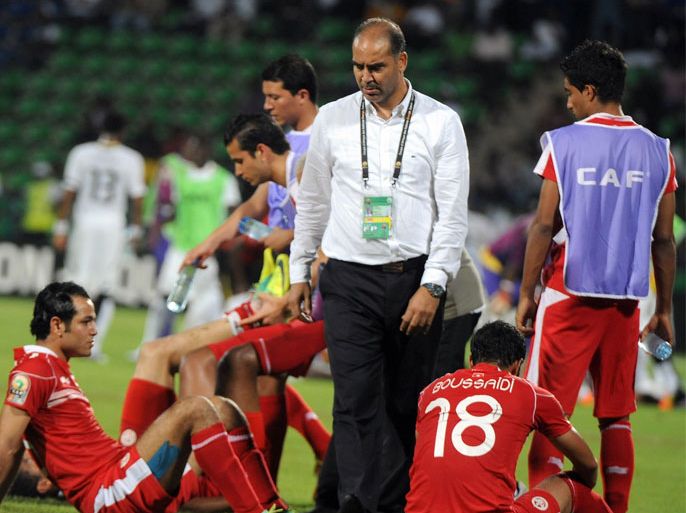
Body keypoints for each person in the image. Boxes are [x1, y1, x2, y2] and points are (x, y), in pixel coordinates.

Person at [288, 17, 470, 513]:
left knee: (406, 403)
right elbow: (314, 203)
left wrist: (432, 287)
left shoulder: (440, 122)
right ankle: (355, 504)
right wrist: (299, 270)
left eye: (376, 66)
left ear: (402, 61)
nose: (365, 76)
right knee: (353, 399)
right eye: (357, 67)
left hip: (413, 279)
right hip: (347, 278)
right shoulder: (333, 118)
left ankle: (396, 504)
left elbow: (453, 217)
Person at [515, 40, 677, 513]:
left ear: (589, 90)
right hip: (627, 303)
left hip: (569, 296)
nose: (567, 102)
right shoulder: (659, 151)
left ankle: (547, 506)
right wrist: (663, 308)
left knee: (548, 413)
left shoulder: (563, 144)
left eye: (570, 92)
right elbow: (663, 241)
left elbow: (544, 225)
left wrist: (527, 293)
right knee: (616, 415)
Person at [0, 282, 288, 513]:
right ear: (57, 326)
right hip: (106, 492)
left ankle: (272, 505)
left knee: (223, 409)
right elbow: (8, 447)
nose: (94, 330)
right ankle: (255, 509)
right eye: (85, 322)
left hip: (118, 470)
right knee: (196, 409)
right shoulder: (35, 371)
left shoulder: (52, 368)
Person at [406, 320, 612, 513]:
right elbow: (588, 465)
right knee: (572, 487)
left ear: (471, 360)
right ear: (517, 365)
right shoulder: (530, 394)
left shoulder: (431, 392)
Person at [52, 111, 146, 361]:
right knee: (106, 288)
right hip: (113, 226)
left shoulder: (81, 153)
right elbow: (137, 198)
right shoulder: (132, 158)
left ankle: (62, 337)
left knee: (74, 284)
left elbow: (69, 191)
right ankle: (93, 344)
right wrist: (136, 230)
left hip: (85, 223)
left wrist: (61, 226)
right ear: (123, 131)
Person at [140, 132, 241, 342]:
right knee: (165, 296)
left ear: (206, 150)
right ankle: (152, 341)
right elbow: (171, 208)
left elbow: (234, 213)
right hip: (180, 247)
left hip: (208, 251)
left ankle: (188, 344)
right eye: (188, 148)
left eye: (194, 148)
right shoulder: (179, 176)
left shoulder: (223, 179)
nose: (189, 153)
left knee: (202, 304)